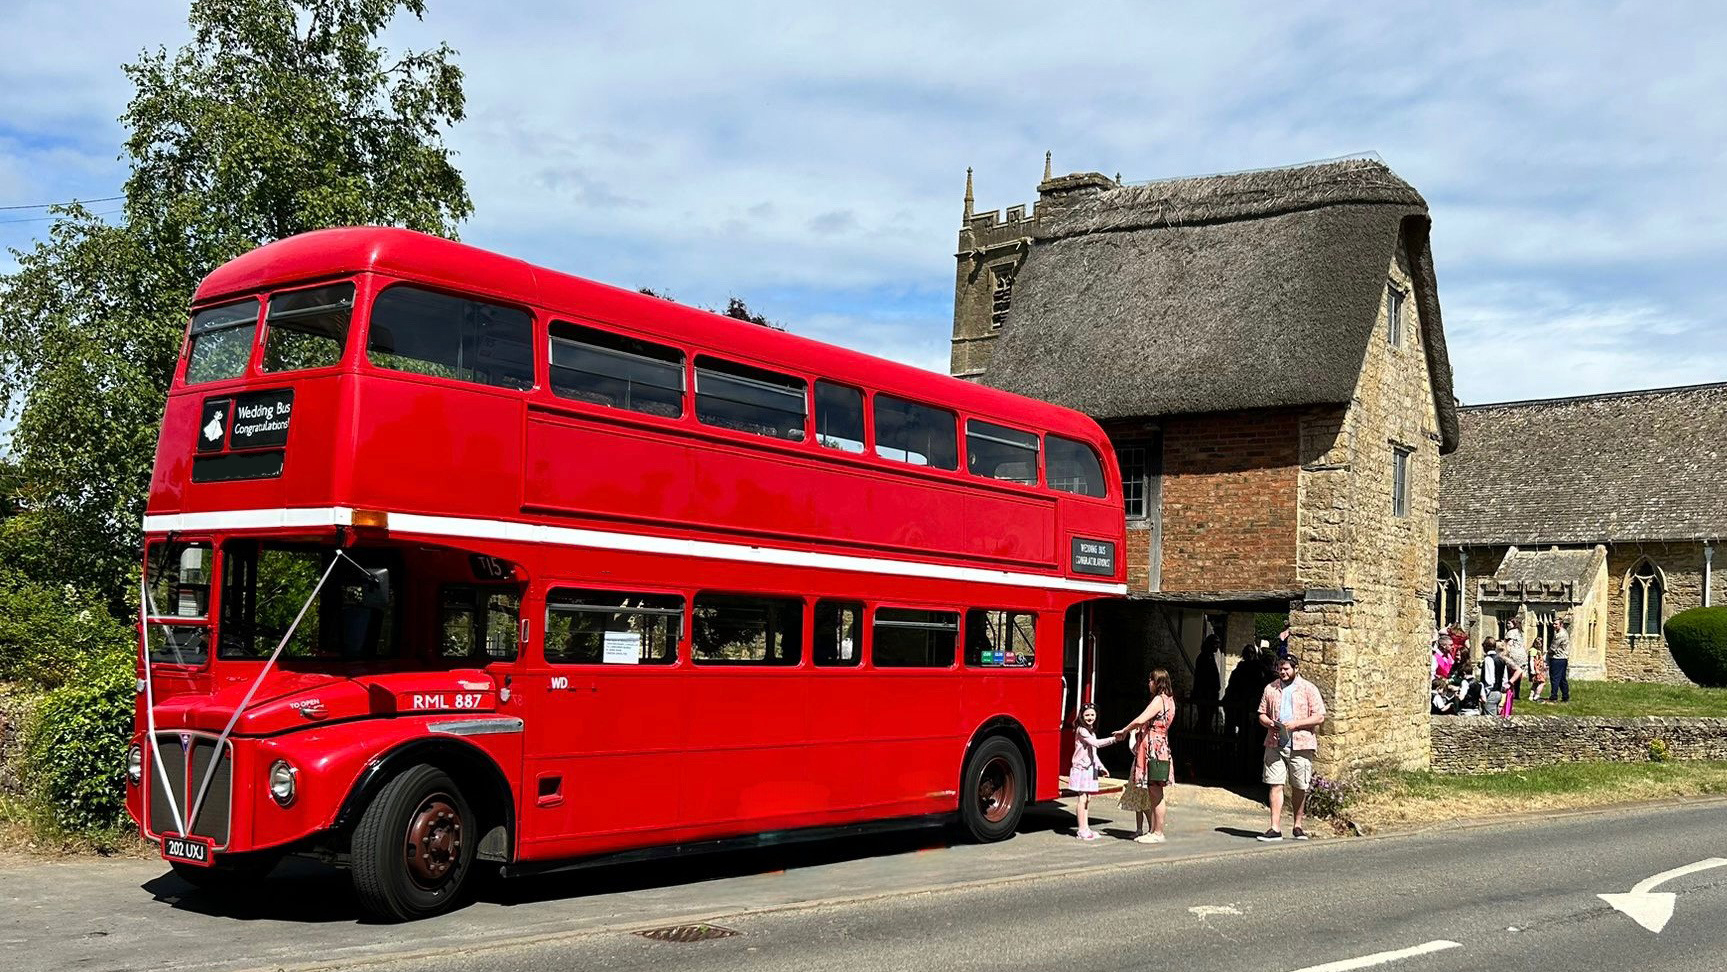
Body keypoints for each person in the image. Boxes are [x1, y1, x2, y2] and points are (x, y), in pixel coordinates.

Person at [1256, 656, 1326, 842]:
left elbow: (1319, 717)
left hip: (1301, 744)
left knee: (1299, 785)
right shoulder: (1271, 688)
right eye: (1280, 668)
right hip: (1275, 743)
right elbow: (1261, 713)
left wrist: (1296, 724)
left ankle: (1297, 825)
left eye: (1286, 668)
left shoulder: (1309, 689)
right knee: (1275, 783)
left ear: (1296, 668)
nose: (1282, 672)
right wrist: (1270, 723)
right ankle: (1275, 827)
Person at [1117, 669, 1176, 844]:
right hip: (1161, 746)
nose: (1148, 683)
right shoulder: (1170, 700)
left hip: (1153, 748)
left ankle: (1157, 832)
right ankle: (1154, 830)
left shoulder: (1159, 700)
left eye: (1150, 680)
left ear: (1157, 682)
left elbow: (1140, 719)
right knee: (1155, 790)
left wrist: (1124, 730)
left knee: (1155, 791)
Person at [1068, 703, 1118, 841]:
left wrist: (1101, 767)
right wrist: (1114, 739)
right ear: (1081, 716)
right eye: (1087, 715)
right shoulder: (1081, 731)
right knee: (1082, 798)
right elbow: (1096, 744)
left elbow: (1093, 753)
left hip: (1090, 768)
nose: (1090, 717)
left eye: (1092, 714)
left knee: (1087, 798)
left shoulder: (1091, 732)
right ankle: (1081, 830)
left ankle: (1085, 827)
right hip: (1081, 769)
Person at [1480, 638, 1521, 717]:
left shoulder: (1488, 659)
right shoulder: (1501, 660)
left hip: (1491, 692)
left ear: (1485, 646)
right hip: (1499, 693)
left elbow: (1490, 680)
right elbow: (1504, 677)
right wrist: (1502, 688)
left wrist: (1485, 693)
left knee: (1490, 719)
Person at [1193, 635, 1223, 733]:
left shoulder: (1209, 657)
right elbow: (1203, 678)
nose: (1217, 646)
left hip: (1210, 695)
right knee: (1204, 720)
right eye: (1215, 643)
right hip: (1205, 695)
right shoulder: (1204, 658)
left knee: (1206, 720)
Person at [1547, 617, 1572, 702]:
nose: (1554, 626)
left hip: (1557, 658)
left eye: (1556, 624)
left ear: (1561, 624)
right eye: (1553, 624)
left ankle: (1554, 696)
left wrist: (1546, 654)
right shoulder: (1560, 632)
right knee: (1561, 678)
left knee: (1555, 678)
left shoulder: (1560, 634)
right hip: (1563, 658)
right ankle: (1565, 696)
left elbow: (1553, 648)